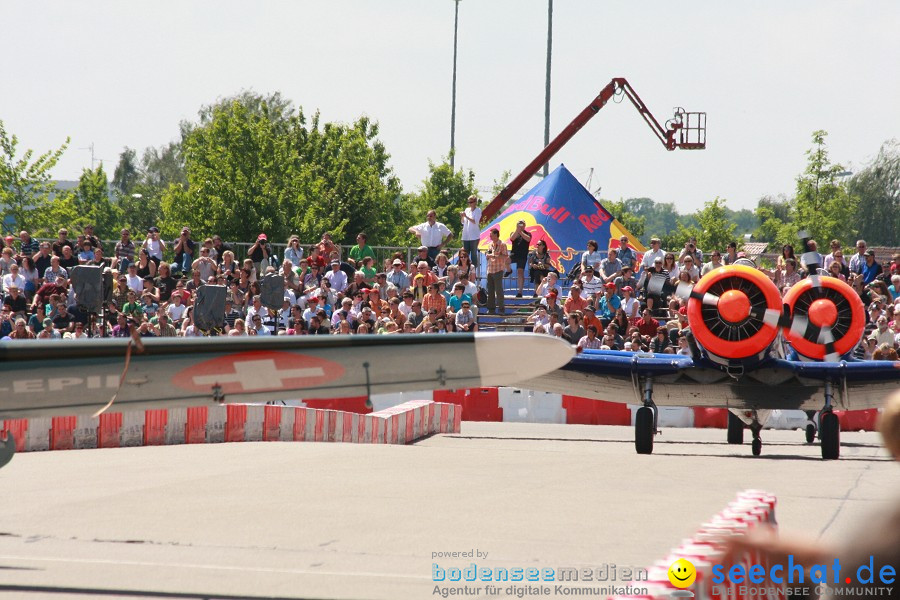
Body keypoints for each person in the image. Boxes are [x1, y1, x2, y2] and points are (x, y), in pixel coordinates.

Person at [484, 228, 507, 314]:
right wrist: (488, 255)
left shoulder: (502, 244)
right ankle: (491, 308)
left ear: (496, 235)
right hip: (490, 270)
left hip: (498, 269)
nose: (490, 236)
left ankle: (501, 308)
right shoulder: (490, 245)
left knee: (498, 290)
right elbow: (488, 254)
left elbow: (505, 256)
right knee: (490, 290)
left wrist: (495, 256)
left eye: (491, 234)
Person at [509, 220, 532, 297]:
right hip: (514, 254)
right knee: (506, 261)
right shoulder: (514, 232)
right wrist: (517, 230)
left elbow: (528, 239)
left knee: (520, 272)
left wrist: (521, 232)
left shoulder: (528, 233)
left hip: (522, 255)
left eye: (522, 224)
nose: (520, 225)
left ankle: (520, 291)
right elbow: (512, 238)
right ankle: (509, 270)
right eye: (519, 224)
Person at [460, 195, 482, 269]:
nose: (469, 204)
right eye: (468, 202)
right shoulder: (467, 210)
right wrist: (462, 216)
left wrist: (466, 216)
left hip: (474, 235)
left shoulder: (478, 210)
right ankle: (465, 268)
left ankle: (474, 270)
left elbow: (475, 221)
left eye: (471, 202)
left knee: (473, 254)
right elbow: (463, 222)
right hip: (466, 235)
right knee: (465, 254)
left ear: (475, 202)